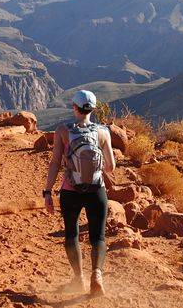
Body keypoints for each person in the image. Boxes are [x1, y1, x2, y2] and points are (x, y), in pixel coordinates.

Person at [43, 89, 116, 296]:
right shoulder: (103, 132)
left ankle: (78, 279)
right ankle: (97, 275)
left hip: (70, 191)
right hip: (96, 190)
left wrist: (48, 192)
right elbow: (110, 166)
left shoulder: (63, 131)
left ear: (74, 107)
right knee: (98, 237)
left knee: (72, 234)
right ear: (93, 108)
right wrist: (93, 166)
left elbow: (55, 163)